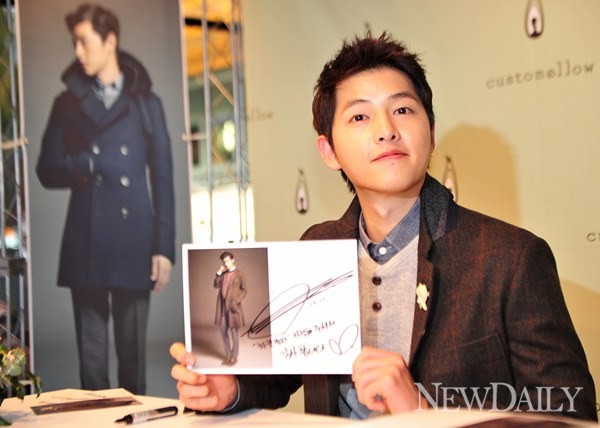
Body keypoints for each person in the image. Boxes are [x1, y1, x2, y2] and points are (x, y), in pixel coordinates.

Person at [170, 32, 597, 420]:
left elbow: (571, 409)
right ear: (329, 151)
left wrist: (424, 411)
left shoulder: (510, 257)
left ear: (431, 130)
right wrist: (230, 389)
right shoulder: (317, 246)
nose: (386, 130)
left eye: (403, 110)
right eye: (360, 117)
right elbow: (283, 371)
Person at [36, 3, 175, 395]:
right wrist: (88, 162)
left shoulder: (147, 103)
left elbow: (163, 178)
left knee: (133, 369)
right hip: (87, 244)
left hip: (134, 243)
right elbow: (46, 168)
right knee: (92, 372)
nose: (77, 51)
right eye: (74, 42)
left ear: (110, 40)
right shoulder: (67, 103)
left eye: (85, 41)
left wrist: (163, 249)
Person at [214, 252, 248, 366]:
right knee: (223, 330)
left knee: (234, 332)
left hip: (233, 307)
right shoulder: (223, 274)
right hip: (222, 306)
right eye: (224, 262)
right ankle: (228, 355)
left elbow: (244, 290)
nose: (226, 264)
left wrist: (236, 301)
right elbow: (215, 285)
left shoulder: (239, 274)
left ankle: (234, 356)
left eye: (227, 261)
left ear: (233, 260)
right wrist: (219, 272)